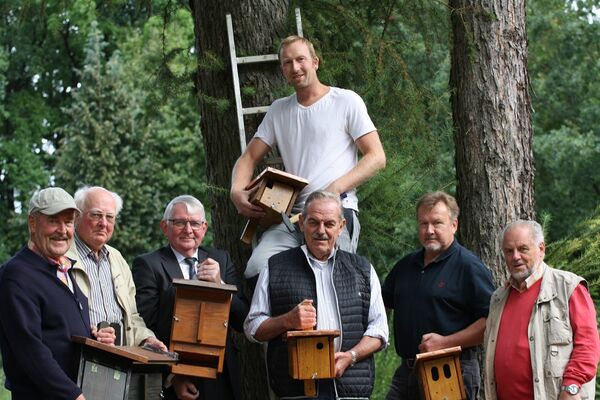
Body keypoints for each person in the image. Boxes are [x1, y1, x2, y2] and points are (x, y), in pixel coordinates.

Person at [230, 35, 386, 283]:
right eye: (287, 63)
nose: (295, 67)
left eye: (300, 59)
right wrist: (236, 191)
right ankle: (287, 322)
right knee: (257, 271)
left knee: (334, 279)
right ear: (282, 70)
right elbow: (248, 157)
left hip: (336, 210)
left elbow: (376, 157)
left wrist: (334, 189)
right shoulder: (279, 110)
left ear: (315, 62)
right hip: (295, 217)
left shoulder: (346, 101)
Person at [244, 190, 389, 399]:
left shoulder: (362, 269)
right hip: (296, 391)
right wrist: (287, 320)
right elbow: (252, 327)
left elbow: (380, 330)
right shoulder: (275, 267)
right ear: (301, 223)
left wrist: (351, 356)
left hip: (350, 391)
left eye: (329, 224)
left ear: (341, 227)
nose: (321, 231)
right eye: (313, 222)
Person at [132, 195, 249, 400]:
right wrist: (173, 374)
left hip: (221, 376)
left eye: (194, 223)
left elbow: (242, 321)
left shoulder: (221, 259)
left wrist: (220, 285)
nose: (188, 230)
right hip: (176, 377)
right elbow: (146, 326)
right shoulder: (148, 264)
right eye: (179, 222)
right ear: (164, 227)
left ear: (204, 228)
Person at [381, 191, 495, 400]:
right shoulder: (405, 266)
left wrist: (446, 342)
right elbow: (379, 307)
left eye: (437, 223)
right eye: (423, 224)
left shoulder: (469, 267)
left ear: (454, 225)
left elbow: (493, 322)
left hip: (451, 370)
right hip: (407, 371)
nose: (429, 230)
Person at [484, 220, 600, 399]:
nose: (515, 257)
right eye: (509, 251)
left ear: (541, 249)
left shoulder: (568, 287)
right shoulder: (498, 298)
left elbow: (588, 344)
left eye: (523, 249)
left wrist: (571, 386)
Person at [0, 187, 91, 399]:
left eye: (68, 222)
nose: (63, 230)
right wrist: (73, 395)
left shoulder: (64, 269)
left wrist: (93, 335)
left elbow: (58, 328)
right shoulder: (16, 276)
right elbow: (30, 349)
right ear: (33, 223)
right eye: (53, 221)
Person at [66, 186, 165, 350]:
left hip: (118, 358)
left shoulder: (117, 259)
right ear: (77, 217)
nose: (103, 223)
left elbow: (132, 316)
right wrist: (89, 333)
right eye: (96, 215)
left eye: (110, 217)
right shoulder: (63, 256)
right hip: (78, 355)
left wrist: (146, 339)